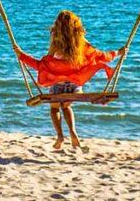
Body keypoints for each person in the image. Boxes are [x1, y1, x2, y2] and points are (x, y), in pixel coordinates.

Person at [12, 10, 125, 149]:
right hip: (75, 85)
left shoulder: (56, 41)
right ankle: (73, 132)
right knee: (66, 106)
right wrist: (118, 52)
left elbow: (44, 65)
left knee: (54, 108)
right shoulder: (80, 39)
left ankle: (60, 136)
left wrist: (22, 55)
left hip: (58, 85)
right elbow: (101, 55)